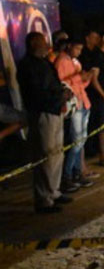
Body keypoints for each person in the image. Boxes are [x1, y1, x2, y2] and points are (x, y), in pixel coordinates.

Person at [16, 32, 73, 213]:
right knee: (45, 156)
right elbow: (37, 93)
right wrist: (58, 96)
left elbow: (53, 84)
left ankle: (53, 191)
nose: (47, 44)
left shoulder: (44, 62)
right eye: (42, 41)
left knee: (57, 154)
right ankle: (43, 198)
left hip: (55, 110)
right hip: (43, 113)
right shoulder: (28, 66)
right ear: (33, 43)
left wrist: (63, 93)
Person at [55, 38, 96, 189]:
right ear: (69, 45)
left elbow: (80, 84)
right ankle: (67, 175)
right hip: (75, 105)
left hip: (83, 102)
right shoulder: (61, 61)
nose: (79, 52)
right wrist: (80, 77)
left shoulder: (76, 62)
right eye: (77, 48)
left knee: (81, 141)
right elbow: (61, 84)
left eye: (80, 49)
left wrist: (87, 77)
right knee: (76, 141)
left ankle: (77, 173)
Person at [81, 29, 104, 166]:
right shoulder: (97, 56)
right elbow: (94, 79)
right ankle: (103, 155)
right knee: (103, 127)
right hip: (103, 96)